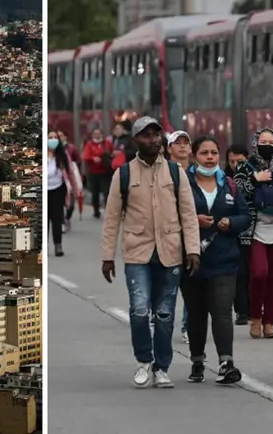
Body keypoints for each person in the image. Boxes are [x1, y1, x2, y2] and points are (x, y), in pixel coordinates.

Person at [101, 116, 201, 389]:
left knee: (166, 313)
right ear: (135, 141)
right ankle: (144, 360)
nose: (153, 140)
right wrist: (107, 256)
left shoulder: (174, 172)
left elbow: (188, 215)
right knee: (140, 309)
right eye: (146, 136)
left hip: (170, 251)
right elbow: (112, 219)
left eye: (157, 135)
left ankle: (162, 368)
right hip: (138, 254)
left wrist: (192, 249)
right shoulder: (123, 174)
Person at [181, 136, 251, 384]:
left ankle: (226, 363)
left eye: (213, 153)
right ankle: (197, 361)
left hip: (224, 260)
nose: (210, 158)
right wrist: (193, 220)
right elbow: (171, 216)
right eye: (204, 153)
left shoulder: (230, 185)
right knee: (197, 314)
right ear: (194, 157)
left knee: (222, 311)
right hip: (192, 260)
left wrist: (231, 223)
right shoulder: (182, 184)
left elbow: (245, 215)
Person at [234, 129, 273, 339]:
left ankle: (269, 322)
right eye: (262, 141)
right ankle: (255, 318)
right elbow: (237, 193)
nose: (267, 145)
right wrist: (255, 180)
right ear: (255, 144)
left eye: (271, 142)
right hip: (253, 230)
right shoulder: (243, 167)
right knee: (259, 273)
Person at [166, 129, 193, 343]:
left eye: (186, 143)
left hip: (192, 236)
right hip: (168, 236)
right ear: (169, 148)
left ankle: (188, 326)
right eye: (178, 143)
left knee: (192, 285)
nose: (182, 146)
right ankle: (160, 321)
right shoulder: (163, 173)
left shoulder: (199, 174)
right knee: (167, 285)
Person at [226, 143, 252, 326]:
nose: (235, 164)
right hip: (232, 230)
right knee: (240, 272)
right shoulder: (224, 179)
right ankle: (242, 311)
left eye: (240, 161)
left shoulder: (255, 175)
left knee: (254, 271)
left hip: (253, 229)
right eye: (232, 161)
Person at [47, 131, 80, 257]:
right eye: (50, 138)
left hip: (58, 189)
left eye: (55, 138)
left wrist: (75, 191)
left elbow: (70, 172)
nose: (53, 140)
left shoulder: (62, 155)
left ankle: (58, 245)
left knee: (57, 218)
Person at [82, 127, 114, 219]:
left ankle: (109, 211)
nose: (97, 135)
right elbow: (86, 156)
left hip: (105, 172)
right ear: (92, 135)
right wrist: (93, 158)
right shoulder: (89, 144)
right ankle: (96, 210)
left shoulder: (107, 143)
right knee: (95, 193)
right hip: (93, 172)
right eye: (95, 134)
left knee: (106, 192)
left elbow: (112, 152)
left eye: (99, 133)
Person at [57, 130, 80, 232]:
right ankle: (62, 222)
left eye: (61, 135)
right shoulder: (53, 151)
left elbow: (77, 160)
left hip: (70, 178)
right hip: (60, 181)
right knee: (59, 204)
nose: (60, 138)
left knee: (71, 204)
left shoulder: (71, 148)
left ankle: (67, 217)